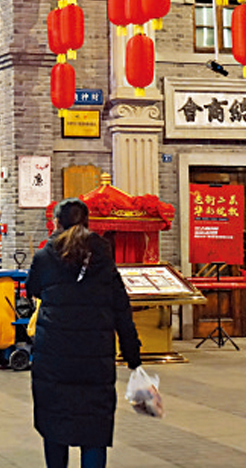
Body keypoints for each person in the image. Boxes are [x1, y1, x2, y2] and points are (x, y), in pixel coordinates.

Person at [25, 198, 142, 468]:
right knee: (94, 430)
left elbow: (32, 288)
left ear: (56, 222)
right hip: (95, 357)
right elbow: (121, 307)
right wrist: (132, 354)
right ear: (87, 222)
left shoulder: (45, 256)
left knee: (55, 425)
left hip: (54, 357)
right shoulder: (103, 255)